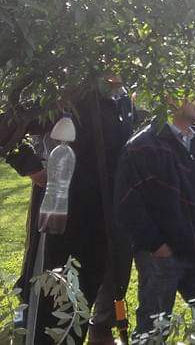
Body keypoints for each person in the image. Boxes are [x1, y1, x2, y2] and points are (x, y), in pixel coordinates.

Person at [4, 75, 136, 345]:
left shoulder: (122, 101)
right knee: (49, 300)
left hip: (102, 220)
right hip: (60, 220)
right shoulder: (72, 94)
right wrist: (34, 169)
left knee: (81, 299)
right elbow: (8, 126)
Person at [114, 95, 195, 337]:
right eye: (193, 95)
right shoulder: (142, 146)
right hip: (162, 257)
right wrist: (157, 245)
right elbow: (128, 204)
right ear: (169, 97)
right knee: (153, 330)